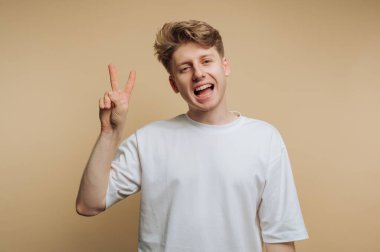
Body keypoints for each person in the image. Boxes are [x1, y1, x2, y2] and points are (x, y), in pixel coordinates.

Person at [76, 20, 309, 252]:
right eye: (185, 68)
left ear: (225, 66)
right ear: (174, 84)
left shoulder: (265, 139)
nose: (198, 73)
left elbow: (279, 238)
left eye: (206, 61)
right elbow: (89, 204)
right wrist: (110, 132)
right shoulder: (149, 140)